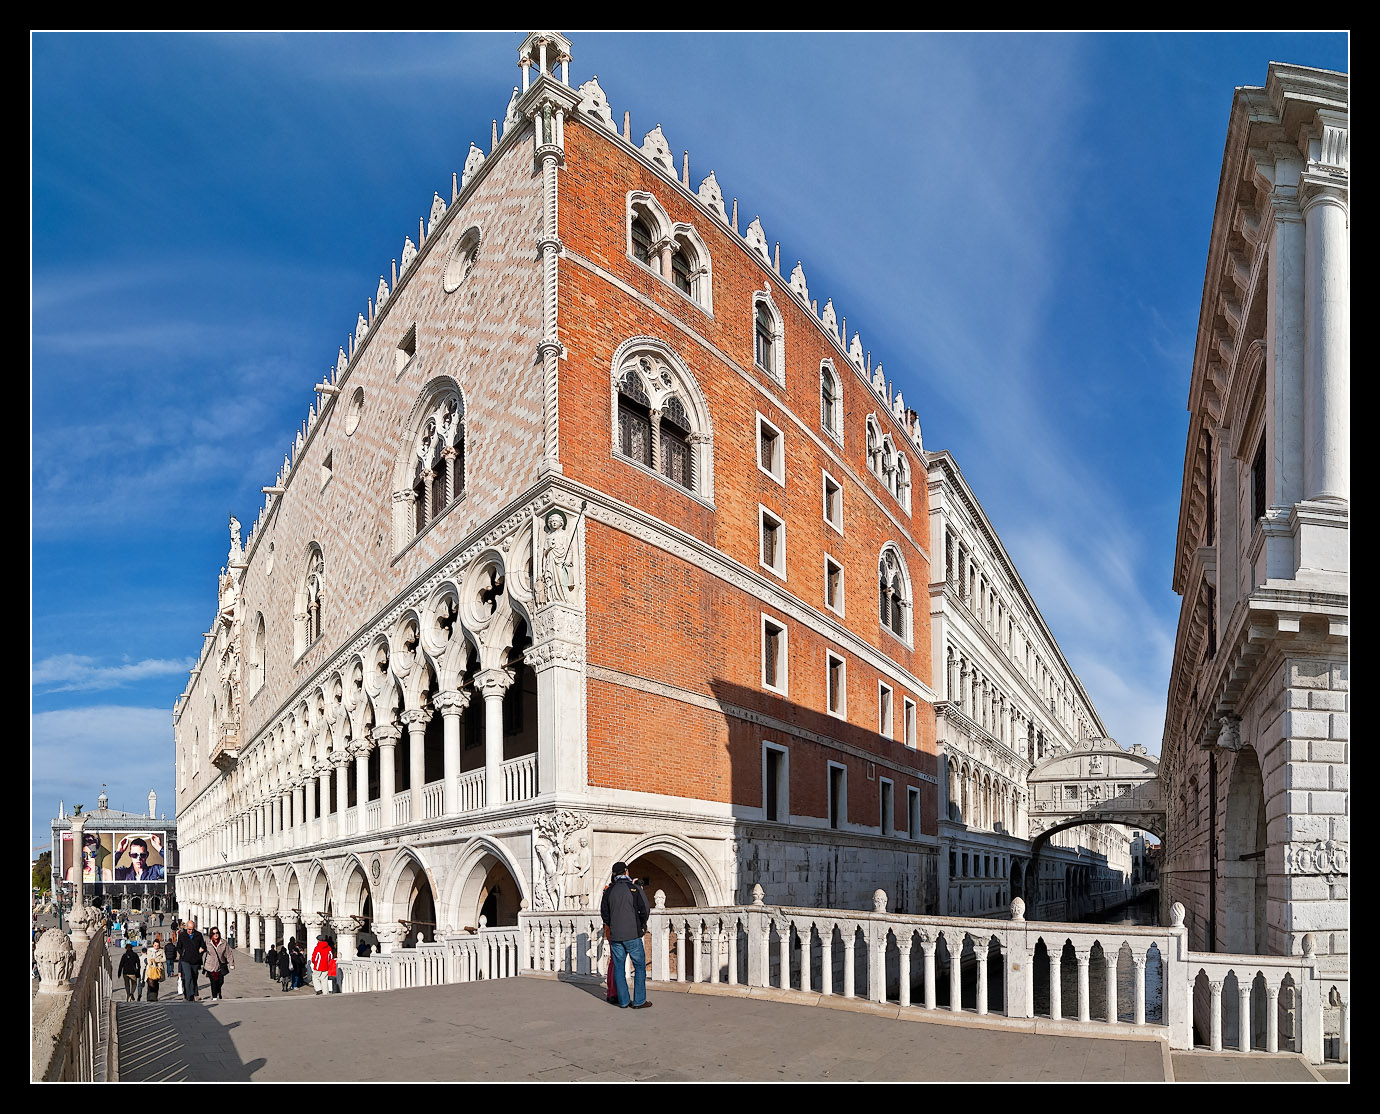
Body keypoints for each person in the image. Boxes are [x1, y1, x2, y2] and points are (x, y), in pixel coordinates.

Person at [600, 861, 651, 1010]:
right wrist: (641, 925)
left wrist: (614, 925)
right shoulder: (634, 888)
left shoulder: (609, 891)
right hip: (633, 934)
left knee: (619, 968)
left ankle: (623, 1001)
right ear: (627, 872)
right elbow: (645, 909)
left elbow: (605, 914)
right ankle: (639, 1001)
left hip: (616, 936)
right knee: (640, 967)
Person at [176, 917, 207, 1001]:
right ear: (186, 927)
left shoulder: (198, 935)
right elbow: (178, 947)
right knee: (188, 977)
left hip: (195, 960)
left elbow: (203, 946)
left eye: (192, 929)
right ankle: (189, 995)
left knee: (194, 977)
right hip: (185, 960)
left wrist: (201, 951)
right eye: (189, 929)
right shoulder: (182, 935)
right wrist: (182, 953)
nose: (190, 931)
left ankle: (193, 994)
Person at [204, 927, 233, 1000]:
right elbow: (201, 950)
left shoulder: (223, 943)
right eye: (214, 933)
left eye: (217, 933)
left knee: (220, 981)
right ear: (211, 935)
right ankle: (214, 997)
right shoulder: (207, 943)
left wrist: (231, 963)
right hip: (210, 965)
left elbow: (229, 953)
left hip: (220, 965)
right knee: (213, 981)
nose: (216, 935)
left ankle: (218, 992)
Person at [146, 934, 166, 1002]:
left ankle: (155, 997)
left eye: (157, 946)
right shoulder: (149, 950)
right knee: (150, 983)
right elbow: (148, 959)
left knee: (156, 983)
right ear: (153, 945)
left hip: (158, 969)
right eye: (155, 945)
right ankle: (150, 997)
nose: (156, 947)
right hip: (151, 969)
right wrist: (151, 960)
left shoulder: (161, 951)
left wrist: (157, 960)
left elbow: (164, 959)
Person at [164, 931, 180, 998]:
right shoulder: (173, 946)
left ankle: (168, 973)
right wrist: (175, 956)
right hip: (172, 957)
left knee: (168, 965)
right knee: (172, 965)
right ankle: (172, 972)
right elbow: (175, 952)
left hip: (168, 957)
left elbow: (165, 951)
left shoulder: (166, 946)